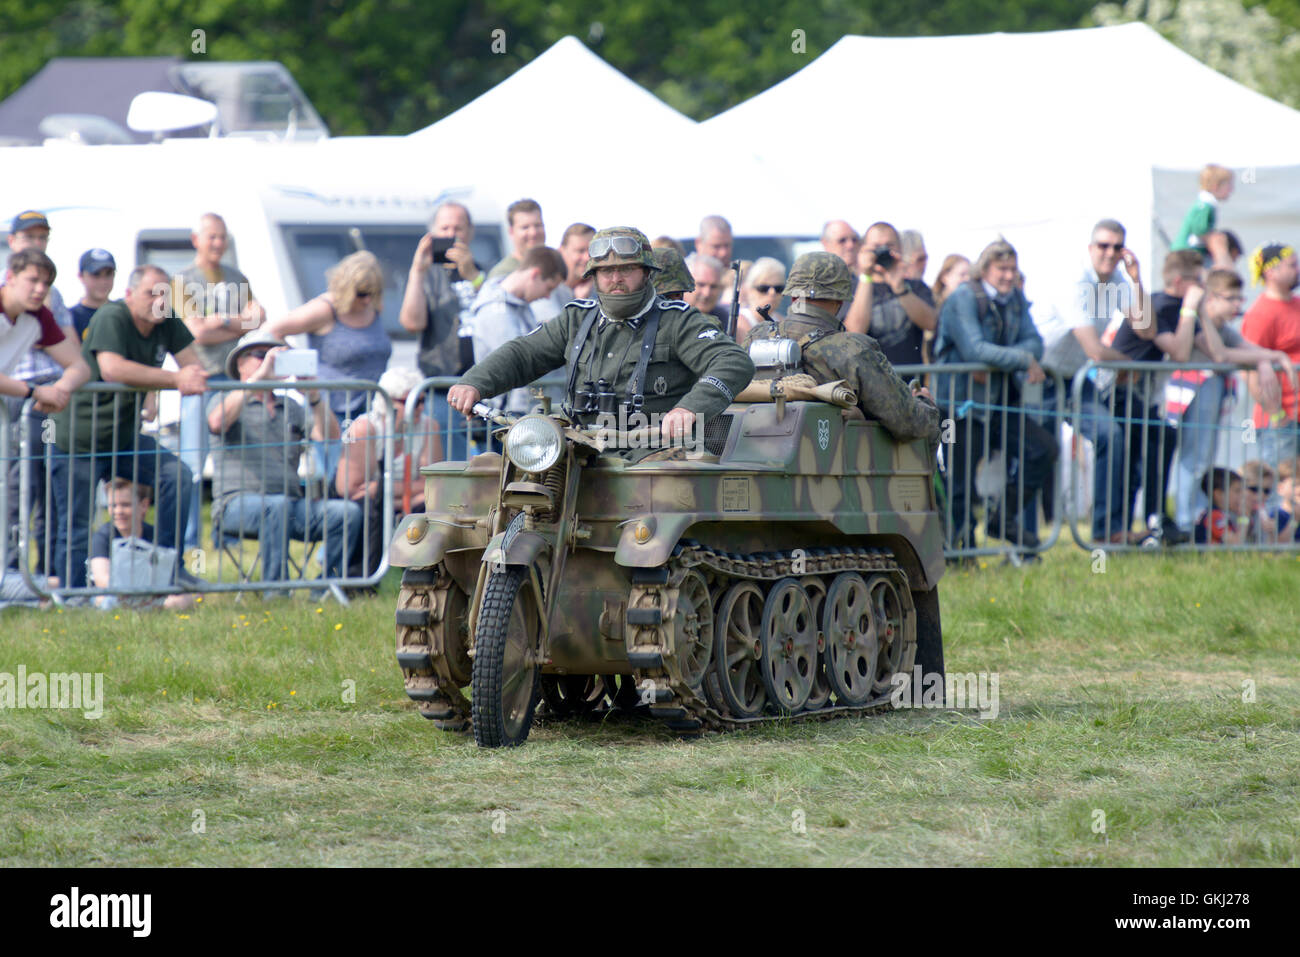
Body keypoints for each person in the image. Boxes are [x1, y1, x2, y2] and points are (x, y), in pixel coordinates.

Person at [448, 226, 754, 459]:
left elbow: (733, 361)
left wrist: (689, 408)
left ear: (647, 273)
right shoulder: (577, 318)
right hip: (577, 452)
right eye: (606, 271)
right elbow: (524, 353)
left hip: (654, 456)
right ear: (594, 276)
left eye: (626, 269)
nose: (616, 278)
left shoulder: (677, 320)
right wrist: (474, 383)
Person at [49, 264, 207, 589]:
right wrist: (175, 379)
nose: (160, 301)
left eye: (165, 294)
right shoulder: (111, 316)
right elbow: (112, 369)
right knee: (76, 524)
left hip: (124, 439)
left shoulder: (168, 320)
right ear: (130, 295)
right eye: (152, 293)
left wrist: (192, 377)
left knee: (175, 476)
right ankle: (72, 594)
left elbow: (194, 367)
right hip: (78, 439)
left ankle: (166, 569)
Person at [933, 237, 1058, 550]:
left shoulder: (1014, 297)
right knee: (959, 483)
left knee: (1043, 449)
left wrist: (1005, 357)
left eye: (1012, 269)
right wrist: (1021, 359)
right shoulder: (963, 298)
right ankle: (960, 551)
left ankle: (1003, 519)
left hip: (1000, 402)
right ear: (984, 269)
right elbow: (974, 349)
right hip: (959, 405)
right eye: (1002, 268)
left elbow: (1035, 342)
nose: (1008, 275)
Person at [208, 330, 360, 586]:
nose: (270, 361)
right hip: (235, 506)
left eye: (276, 356)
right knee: (275, 506)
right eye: (261, 356)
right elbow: (217, 422)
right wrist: (259, 378)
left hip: (289, 506)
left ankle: (325, 589)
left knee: (346, 513)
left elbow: (330, 436)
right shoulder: (223, 397)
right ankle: (276, 591)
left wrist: (311, 394)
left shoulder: (291, 406)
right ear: (240, 364)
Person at [742, 252, 940, 443]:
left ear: (794, 297)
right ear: (839, 301)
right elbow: (908, 423)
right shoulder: (854, 349)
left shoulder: (756, 337)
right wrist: (925, 403)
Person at [1038, 219, 1148, 543]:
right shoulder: (1075, 280)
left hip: (1075, 378)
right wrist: (1128, 362)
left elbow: (1146, 329)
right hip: (1037, 375)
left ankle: (1106, 533)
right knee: (1037, 453)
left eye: (1117, 246)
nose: (1110, 253)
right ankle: (1021, 539)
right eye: (1103, 245)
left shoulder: (1119, 279)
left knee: (1110, 435)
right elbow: (1095, 349)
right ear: (1090, 248)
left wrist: (1137, 279)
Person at [1165, 268, 1296, 530]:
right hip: (1191, 396)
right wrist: (1269, 359)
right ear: (1211, 298)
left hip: (1211, 394)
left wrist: (1269, 359)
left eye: (1240, 299)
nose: (1238, 305)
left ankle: (1199, 520)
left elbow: (1250, 350)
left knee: (1204, 457)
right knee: (1195, 459)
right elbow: (1221, 354)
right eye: (1231, 299)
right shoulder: (1200, 326)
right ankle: (1186, 521)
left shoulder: (1223, 327)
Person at [171, 212, 268, 550]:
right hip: (199, 382)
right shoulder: (181, 281)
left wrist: (221, 321)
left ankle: (227, 537)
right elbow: (196, 331)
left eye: (222, 237)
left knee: (232, 463)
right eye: (211, 236)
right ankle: (188, 544)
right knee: (193, 466)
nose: (217, 243)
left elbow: (260, 316)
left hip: (229, 379)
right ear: (196, 239)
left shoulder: (236, 277)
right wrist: (236, 322)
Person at [1, 250, 92, 575]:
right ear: (10, 277)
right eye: (33, 280)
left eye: (47, 283)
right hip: (16, 399)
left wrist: (62, 388)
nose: (40, 289)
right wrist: (35, 392)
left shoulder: (38, 317)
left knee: (22, 491)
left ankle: (12, 578)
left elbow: (80, 365)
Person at [1109, 250, 1208, 543]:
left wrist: (1269, 357)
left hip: (1141, 397)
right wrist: (1190, 309)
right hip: (1119, 393)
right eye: (1197, 280)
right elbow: (1179, 353)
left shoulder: (1177, 305)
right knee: (1135, 460)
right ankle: (1139, 523)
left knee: (1160, 442)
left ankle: (1155, 519)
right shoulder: (1161, 305)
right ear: (1179, 281)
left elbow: (1217, 352)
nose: (1202, 286)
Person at [336, 366, 440, 577]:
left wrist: (382, 489)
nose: (418, 407)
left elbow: (434, 482)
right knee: (368, 510)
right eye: (410, 401)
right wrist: (405, 493)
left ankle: (424, 577)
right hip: (369, 504)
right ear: (387, 401)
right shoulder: (365, 428)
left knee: (434, 505)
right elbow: (349, 488)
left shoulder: (430, 426)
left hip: (403, 499)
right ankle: (360, 581)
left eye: (421, 400)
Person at [268, 249, 392, 426]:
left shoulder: (374, 307)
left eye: (373, 293)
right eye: (362, 293)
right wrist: (299, 364)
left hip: (372, 412)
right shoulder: (325, 309)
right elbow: (272, 330)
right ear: (347, 288)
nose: (367, 300)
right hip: (330, 413)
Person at [399, 201, 483, 461]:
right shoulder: (425, 274)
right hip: (442, 388)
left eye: (458, 228)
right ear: (432, 233)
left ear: (470, 232)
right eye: (444, 227)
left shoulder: (483, 271)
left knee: (491, 464)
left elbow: (497, 314)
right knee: (450, 464)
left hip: (485, 386)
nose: (451, 235)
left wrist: (474, 277)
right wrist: (417, 270)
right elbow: (412, 323)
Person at [469, 247, 567, 416]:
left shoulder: (517, 306)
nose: (547, 296)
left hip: (518, 411)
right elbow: (517, 362)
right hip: (507, 414)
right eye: (549, 288)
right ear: (535, 274)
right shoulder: (496, 311)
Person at [90, 478, 196, 611]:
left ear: (144, 505)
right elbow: (102, 580)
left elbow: (170, 578)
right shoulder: (103, 536)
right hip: (114, 595)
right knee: (105, 601)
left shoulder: (155, 535)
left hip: (148, 595)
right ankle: (148, 608)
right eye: (113, 506)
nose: (118, 511)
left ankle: (147, 607)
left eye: (125, 505)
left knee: (191, 596)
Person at [1241, 242, 1300, 471]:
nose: (1297, 269)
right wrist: (1276, 414)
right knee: (1281, 485)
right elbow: (1248, 368)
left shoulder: (1296, 304)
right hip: (1282, 421)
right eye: (1292, 265)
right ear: (1271, 272)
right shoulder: (1261, 313)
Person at [845, 221, 937, 366]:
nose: (882, 251)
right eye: (876, 247)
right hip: (869, 380)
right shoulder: (851, 288)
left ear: (900, 248)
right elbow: (854, 332)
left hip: (909, 381)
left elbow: (931, 323)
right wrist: (866, 276)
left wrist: (899, 286)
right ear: (864, 250)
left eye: (889, 246)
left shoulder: (915, 286)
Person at [1171, 164, 1235, 269]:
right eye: (1229, 185)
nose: (1231, 190)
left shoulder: (1206, 204)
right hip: (1186, 252)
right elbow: (1199, 229)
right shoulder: (1205, 205)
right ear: (1215, 186)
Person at [486, 198, 545, 280]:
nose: (533, 233)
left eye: (538, 225)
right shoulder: (502, 274)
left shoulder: (556, 266)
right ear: (511, 232)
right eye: (525, 227)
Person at [929, 255, 971, 365]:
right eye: (962, 274)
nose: (967, 279)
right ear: (945, 277)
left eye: (969, 275)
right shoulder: (932, 304)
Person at [69, 248, 116, 341]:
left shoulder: (124, 314)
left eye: (108, 274)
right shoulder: (70, 318)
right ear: (81, 276)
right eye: (96, 274)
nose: (103, 281)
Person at [736, 257, 786, 340]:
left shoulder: (783, 322)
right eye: (763, 288)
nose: (772, 293)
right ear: (749, 289)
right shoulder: (738, 323)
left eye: (778, 289)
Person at [1193, 467, 1245, 545]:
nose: (1242, 496)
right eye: (1237, 491)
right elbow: (1235, 543)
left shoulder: (1222, 514)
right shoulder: (1214, 516)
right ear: (1219, 494)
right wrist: (1244, 518)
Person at [685, 253, 730, 326]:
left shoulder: (724, 318)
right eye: (701, 285)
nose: (707, 293)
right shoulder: (668, 317)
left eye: (713, 287)